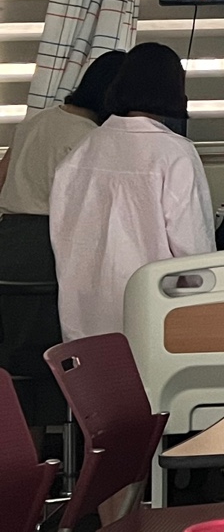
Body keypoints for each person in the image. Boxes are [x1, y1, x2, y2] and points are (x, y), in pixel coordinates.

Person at [49, 43, 216, 340]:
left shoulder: (82, 150)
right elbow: (193, 251)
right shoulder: (174, 153)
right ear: (175, 89)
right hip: (155, 314)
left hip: (83, 315)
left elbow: (62, 235)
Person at [0, 51, 127, 422]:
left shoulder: (37, 121)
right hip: (47, 248)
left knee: (14, 358)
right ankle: (59, 446)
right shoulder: (89, 138)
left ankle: (25, 448)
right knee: (49, 357)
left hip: (9, 240)